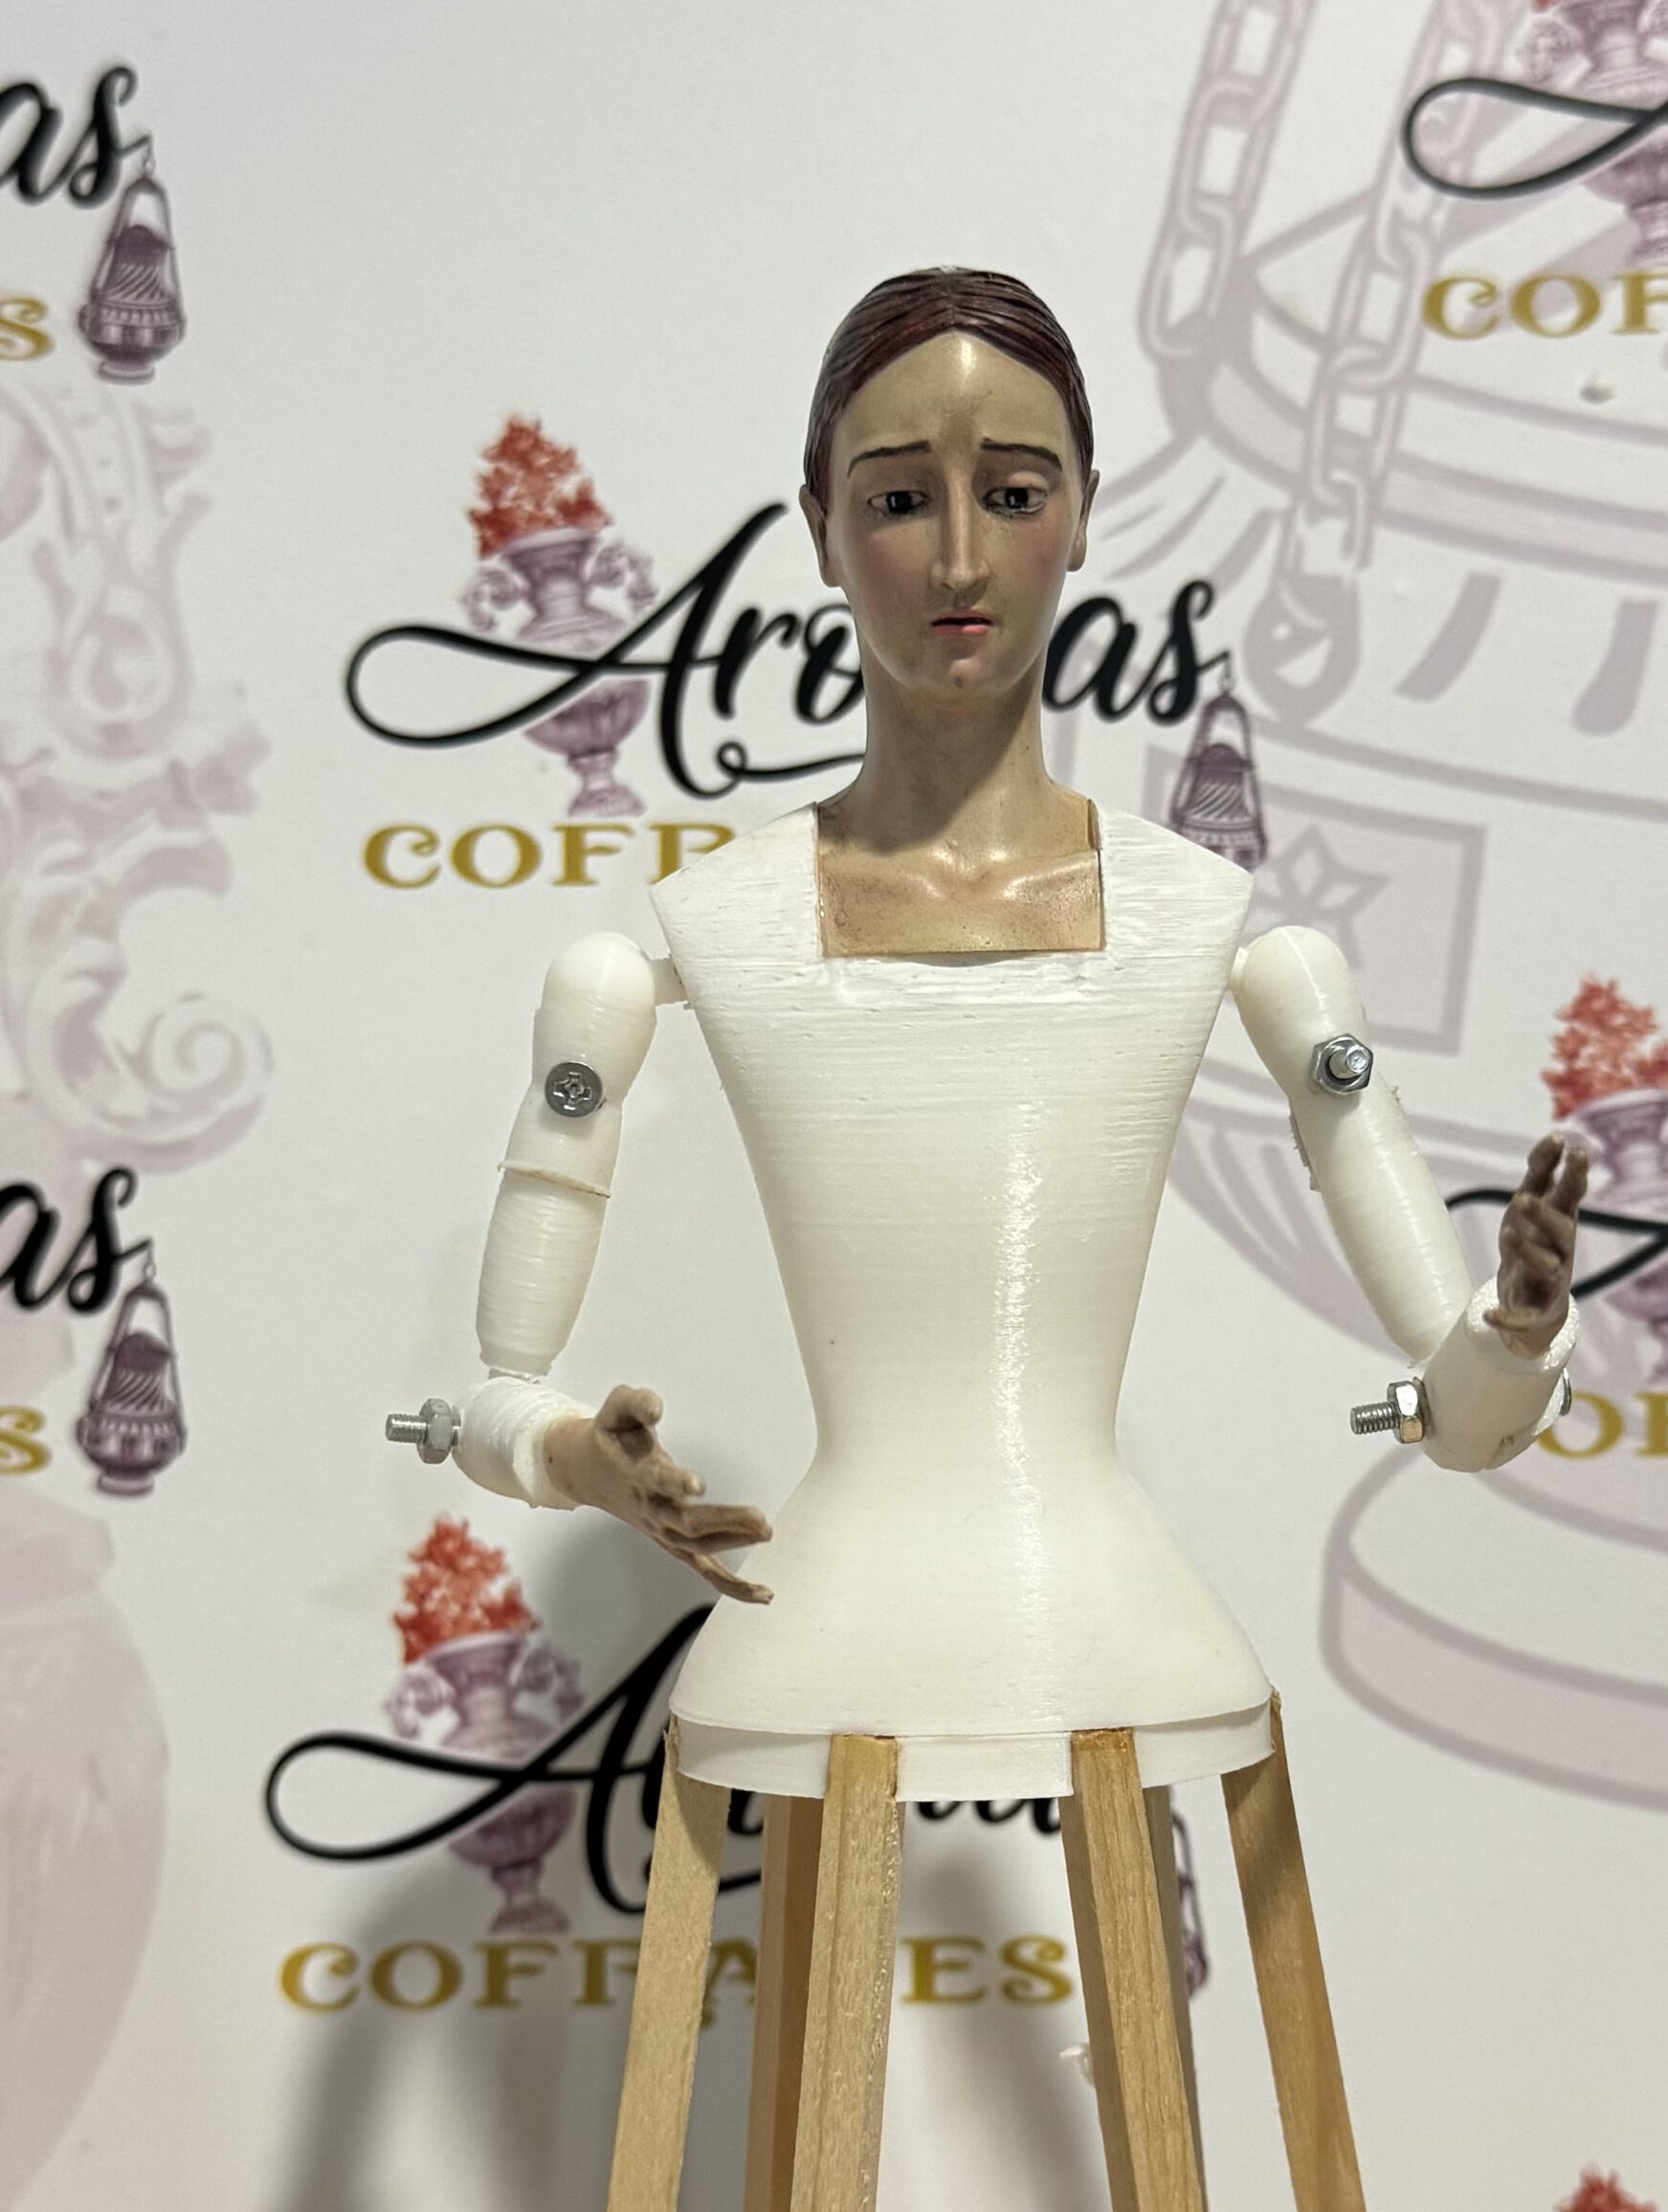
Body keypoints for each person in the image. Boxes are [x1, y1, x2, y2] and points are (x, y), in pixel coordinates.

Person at [451, 264, 1582, 1803]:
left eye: (1013, 492)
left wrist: (1514, 1335)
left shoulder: (1210, 927)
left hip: (1117, 1624)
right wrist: (582, 1456)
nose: (960, 557)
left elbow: (1454, 1414)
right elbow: (495, 1389)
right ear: (819, 529)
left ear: (1086, 511)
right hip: (813, 1637)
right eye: (898, 499)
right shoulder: (701, 934)